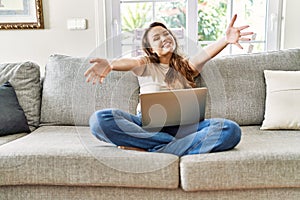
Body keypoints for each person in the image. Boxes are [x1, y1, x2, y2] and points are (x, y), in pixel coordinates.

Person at [84, 14, 253, 156]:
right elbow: (130, 62)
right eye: (156, 38)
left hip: (187, 128)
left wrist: (225, 40)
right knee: (99, 120)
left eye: (166, 34)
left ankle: (152, 149)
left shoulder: (185, 66)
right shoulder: (145, 64)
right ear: (150, 49)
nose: (164, 38)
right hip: (147, 128)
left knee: (230, 129)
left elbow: (204, 54)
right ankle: (174, 146)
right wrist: (111, 64)